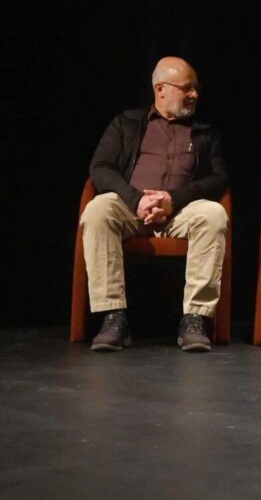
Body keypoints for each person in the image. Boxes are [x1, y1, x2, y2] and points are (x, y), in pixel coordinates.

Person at [81, 56, 228, 353]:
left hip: (180, 212)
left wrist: (173, 200)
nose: (194, 94)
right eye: (187, 88)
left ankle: (195, 318)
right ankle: (113, 317)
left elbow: (218, 179)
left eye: (196, 88)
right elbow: (101, 168)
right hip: (130, 208)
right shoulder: (126, 123)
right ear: (160, 89)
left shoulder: (205, 133)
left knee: (214, 214)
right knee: (97, 210)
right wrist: (136, 200)